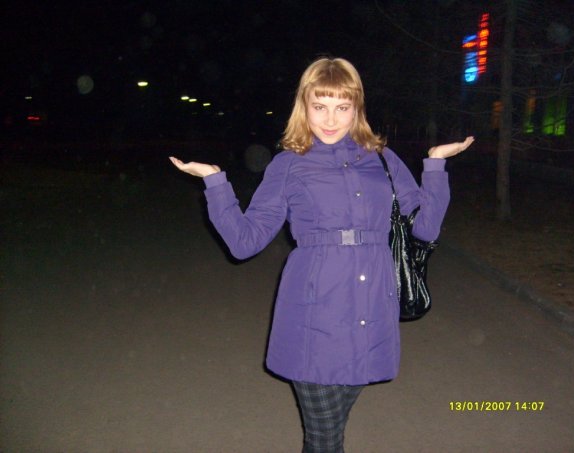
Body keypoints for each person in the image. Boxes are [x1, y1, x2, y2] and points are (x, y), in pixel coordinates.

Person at [170, 57, 473, 453]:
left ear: (357, 108)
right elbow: (245, 242)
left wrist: (435, 165)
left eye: (342, 107)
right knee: (325, 438)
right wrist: (215, 183)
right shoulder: (288, 165)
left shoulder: (382, 158)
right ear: (304, 106)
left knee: (332, 428)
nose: (331, 119)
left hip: (372, 309)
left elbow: (426, 229)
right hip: (315, 313)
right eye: (320, 106)